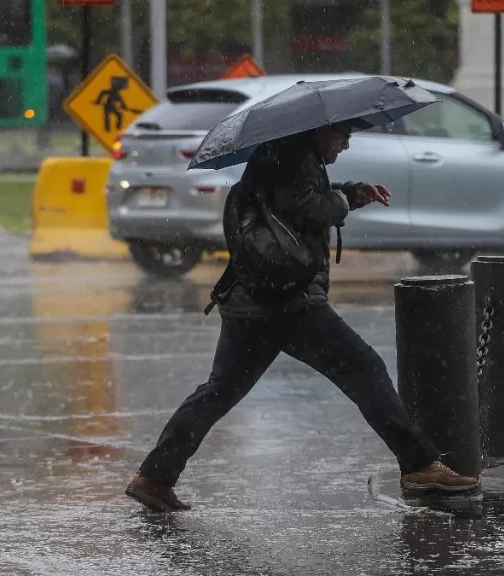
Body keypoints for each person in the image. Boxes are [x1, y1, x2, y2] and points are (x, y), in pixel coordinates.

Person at [126, 122, 479, 512]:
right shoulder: (292, 156)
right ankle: (419, 464)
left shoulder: (286, 152)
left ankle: (154, 476)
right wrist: (344, 202)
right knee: (364, 369)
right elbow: (309, 207)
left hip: (252, 300)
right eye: (342, 135)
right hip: (287, 301)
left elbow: (296, 198)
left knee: (219, 391)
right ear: (320, 130)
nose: (345, 145)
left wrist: (350, 192)